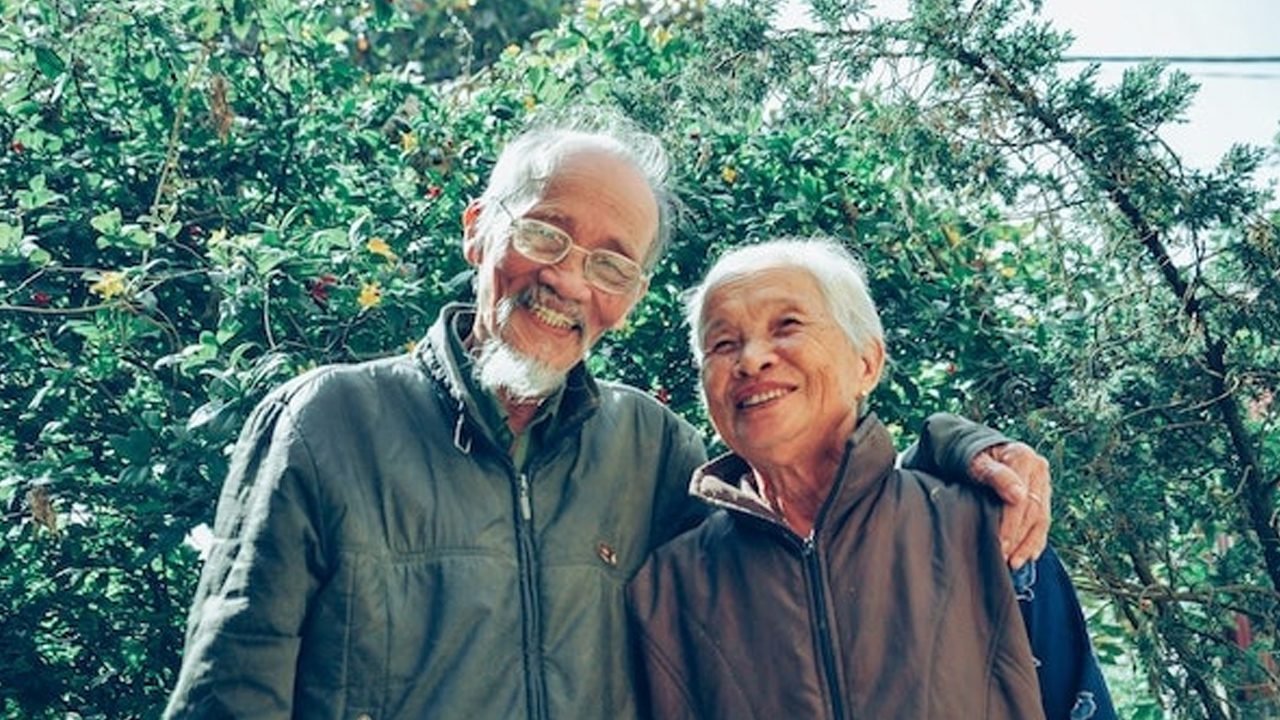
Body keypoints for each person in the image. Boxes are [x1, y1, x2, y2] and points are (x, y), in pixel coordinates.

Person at [164, 114, 1055, 719]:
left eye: (612, 263)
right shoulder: (329, 422)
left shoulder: (654, 450)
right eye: (544, 233)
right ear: (479, 230)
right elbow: (229, 689)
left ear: (628, 296)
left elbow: (806, 514)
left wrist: (959, 448)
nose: (566, 279)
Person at [627, 238, 1115, 719]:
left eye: (788, 325)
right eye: (723, 343)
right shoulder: (669, 588)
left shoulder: (987, 526)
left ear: (867, 363)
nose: (751, 359)